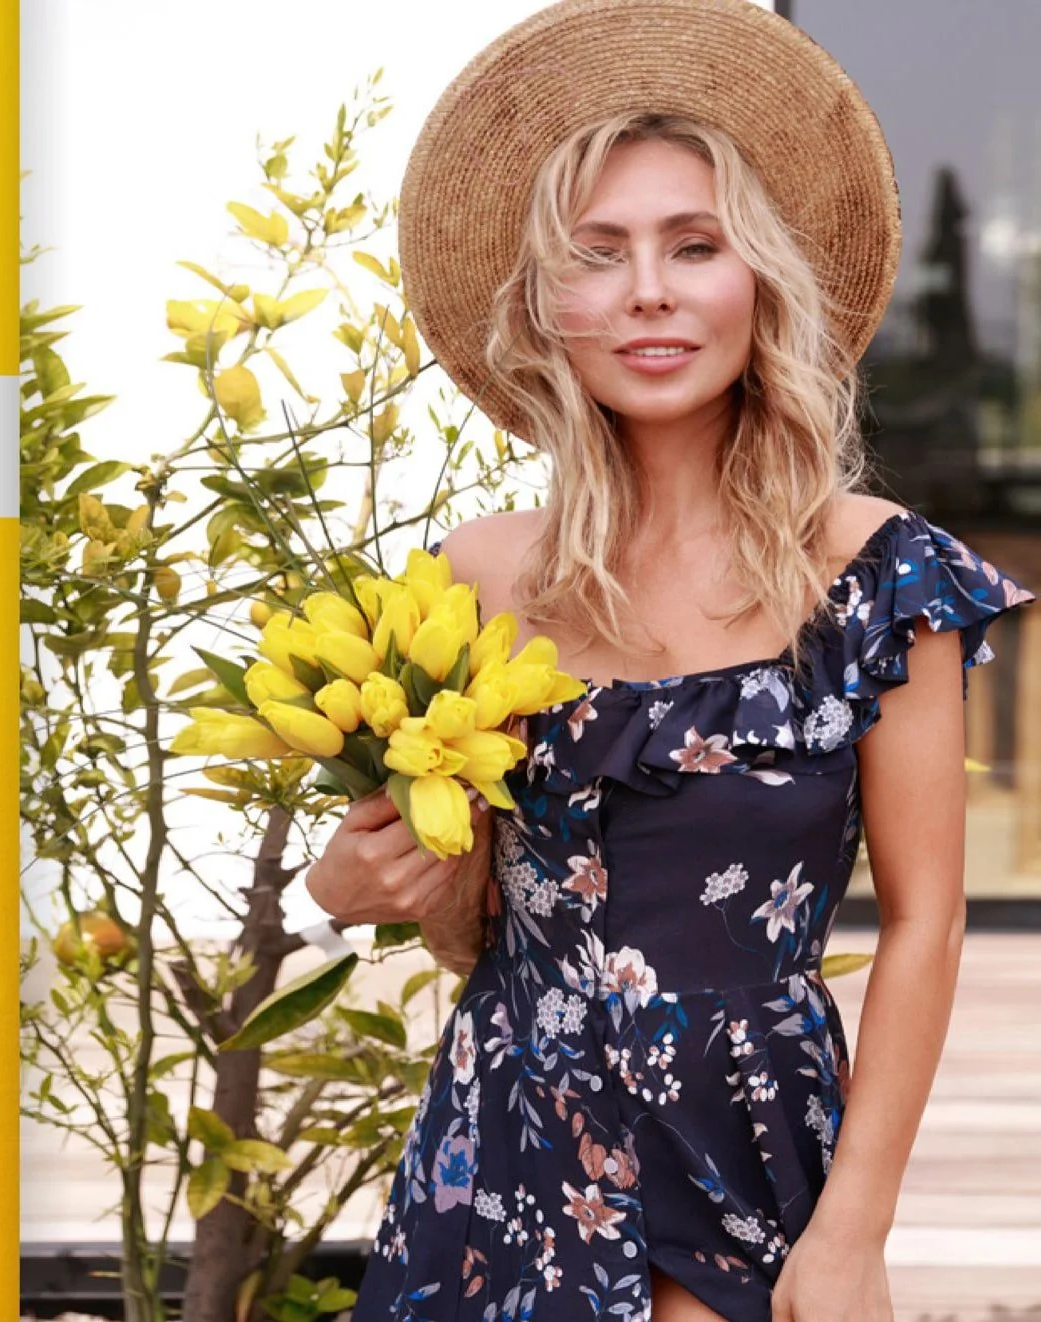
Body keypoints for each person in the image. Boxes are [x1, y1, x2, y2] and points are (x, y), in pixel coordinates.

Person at [305, 1, 1036, 1318]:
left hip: (755, 1150)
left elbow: (926, 922)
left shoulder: (877, 574)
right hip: (506, 1147)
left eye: (692, 245)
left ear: (755, 282)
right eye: (600, 253)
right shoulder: (474, 577)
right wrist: (351, 875)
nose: (648, 288)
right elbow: (460, 902)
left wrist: (852, 1232)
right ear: (545, 305)